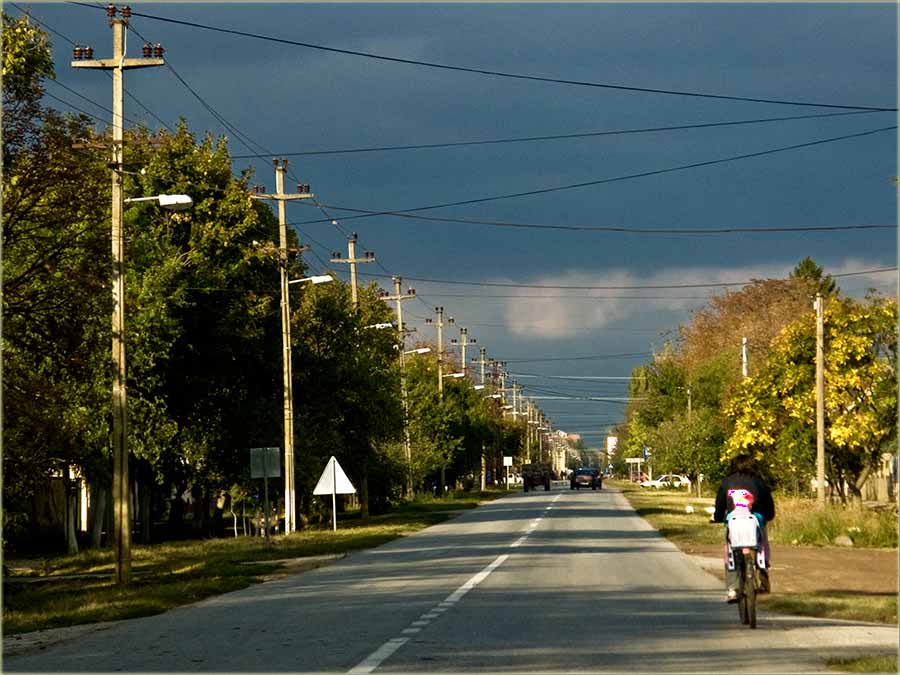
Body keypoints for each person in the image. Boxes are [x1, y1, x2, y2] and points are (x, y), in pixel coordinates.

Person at [713, 454, 775, 603]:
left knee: (730, 549)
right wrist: (768, 516)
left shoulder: (727, 482)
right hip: (755, 520)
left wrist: (718, 516)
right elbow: (768, 503)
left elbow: (720, 504)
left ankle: (733, 589)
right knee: (762, 540)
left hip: (734, 521)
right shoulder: (759, 482)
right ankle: (763, 565)